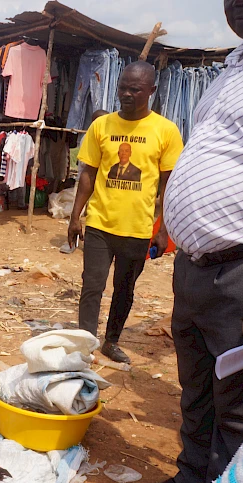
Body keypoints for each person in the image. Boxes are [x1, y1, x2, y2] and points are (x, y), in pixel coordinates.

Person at [123, 2, 243, 483]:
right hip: (197, 267)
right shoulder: (237, 65)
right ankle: (191, 482)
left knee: (239, 403)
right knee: (198, 388)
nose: (239, 3)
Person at [67, 61, 183, 365]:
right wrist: (75, 216)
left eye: (136, 89)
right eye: (123, 88)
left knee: (124, 289)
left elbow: (168, 186)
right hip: (100, 225)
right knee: (92, 285)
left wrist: (164, 228)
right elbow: (88, 175)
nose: (127, 94)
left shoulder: (166, 131)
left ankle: (112, 341)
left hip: (138, 229)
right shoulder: (101, 126)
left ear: (152, 91)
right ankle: (85, 344)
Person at [60, 109, 108, 255]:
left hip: (102, 184)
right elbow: (85, 164)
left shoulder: (110, 137)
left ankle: (94, 243)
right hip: (84, 182)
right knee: (77, 213)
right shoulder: (89, 137)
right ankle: (72, 242)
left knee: (97, 215)